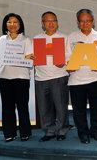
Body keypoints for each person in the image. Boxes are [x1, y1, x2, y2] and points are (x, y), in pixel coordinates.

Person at [66, 9, 97, 144]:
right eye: (82, 21)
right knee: (79, 111)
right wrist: (69, 64)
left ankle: (96, 132)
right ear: (78, 23)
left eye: (88, 20)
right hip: (76, 80)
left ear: (93, 22)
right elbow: (67, 56)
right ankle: (83, 134)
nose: (85, 23)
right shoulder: (71, 37)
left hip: (96, 78)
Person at [34, 11, 70, 142]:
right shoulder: (36, 39)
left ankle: (61, 130)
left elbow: (70, 55)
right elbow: (31, 57)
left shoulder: (64, 38)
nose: (51, 23)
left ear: (57, 23)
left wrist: (64, 62)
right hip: (41, 78)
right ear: (43, 24)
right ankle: (49, 131)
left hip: (59, 77)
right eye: (47, 21)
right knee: (44, 108)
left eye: (53, 20)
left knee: (61, 107)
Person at [0, 13, 33, 142]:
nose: (12, 24)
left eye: (15, 22)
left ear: (20, 24)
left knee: (22, 106)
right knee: (7, 107)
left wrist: (21, 58)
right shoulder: (1, 40)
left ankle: (25, 132)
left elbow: (29, 59)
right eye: (9, 22)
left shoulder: (26, 40)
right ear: (5, 24)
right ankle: (9, 133)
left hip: (21, 77)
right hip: (4, 77)